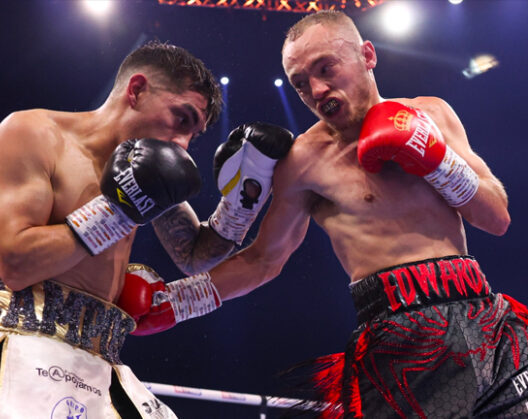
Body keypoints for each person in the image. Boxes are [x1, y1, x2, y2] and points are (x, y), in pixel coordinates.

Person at [118, 11, 528, 418]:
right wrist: (176, 301)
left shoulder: (433, 114)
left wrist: (436, 159)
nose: (316, 89)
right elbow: (263, 260)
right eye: (299, 84)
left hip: (487, 318)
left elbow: (496, 218)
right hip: (402, 335)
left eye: (326, 69)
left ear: (367, 55)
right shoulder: (303, 162)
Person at [0, 40, 294, 419]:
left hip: (96, 364)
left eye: (194, 133)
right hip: (14, 350)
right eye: (180, 118)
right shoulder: (34, 134)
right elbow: (16, 263)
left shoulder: (146, 172)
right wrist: (118, 210)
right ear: (136, 90)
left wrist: (244, 198)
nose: (183, 143)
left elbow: (196, 256)